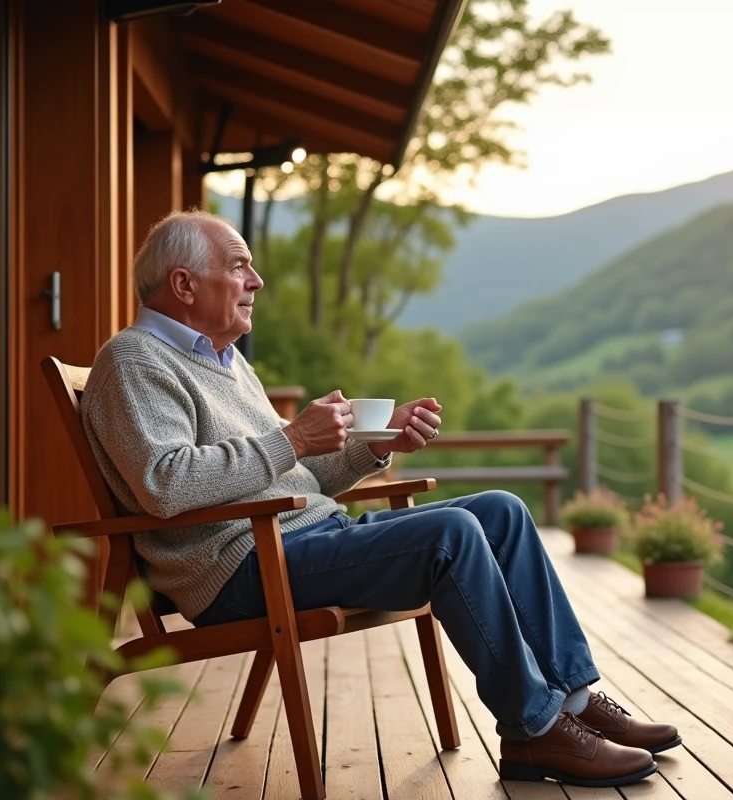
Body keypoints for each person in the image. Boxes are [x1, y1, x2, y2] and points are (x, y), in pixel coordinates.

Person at [80, 210, 680, 788]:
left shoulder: (228, 363)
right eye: (239, 266)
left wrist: (372, 445)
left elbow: (297, 481)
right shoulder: (134, 360)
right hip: (240, 565)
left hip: (305, 540)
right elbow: (166, 483)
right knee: (451, 536)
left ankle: (572, 698)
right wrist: (291, 438)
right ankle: (535, 727)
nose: (256, 281)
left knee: (501, 510)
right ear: (183, 284)